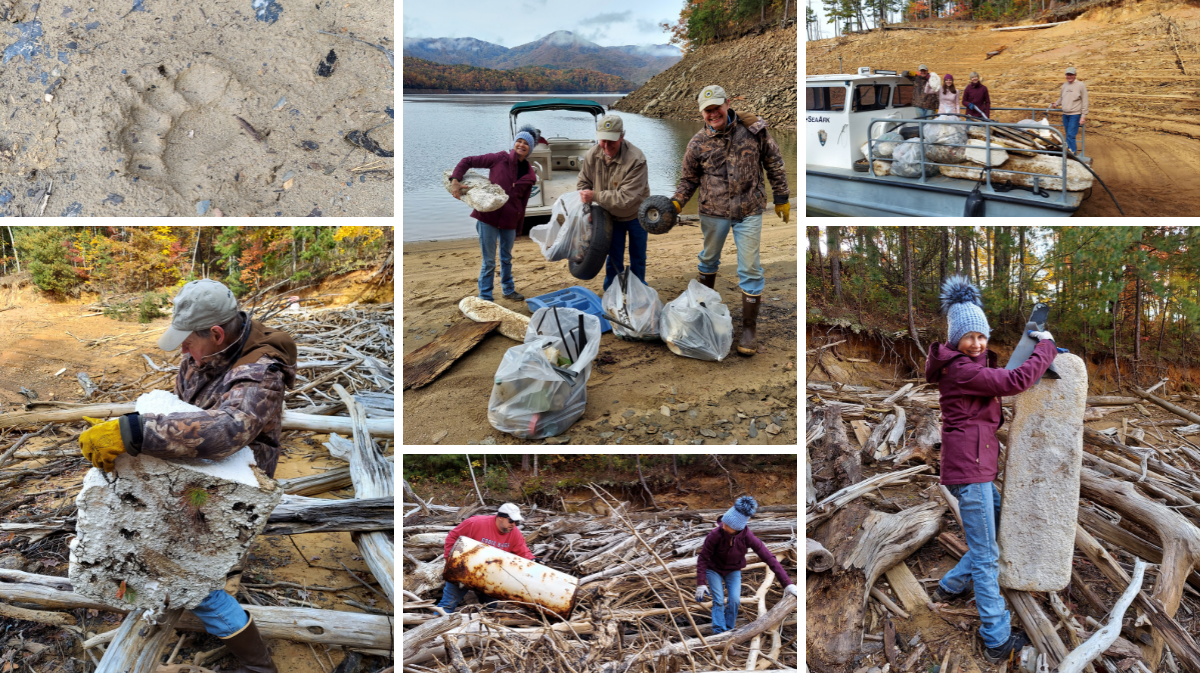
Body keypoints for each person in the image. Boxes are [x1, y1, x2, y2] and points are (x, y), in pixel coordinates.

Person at [79, 278, 298, 673]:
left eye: (187, 341)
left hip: (231, 482)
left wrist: (134, 432)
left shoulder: (262, 370)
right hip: (193, 470)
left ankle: (256, 662)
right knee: (167, 546)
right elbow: (185, 407)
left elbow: (229, 430)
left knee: (191, 576)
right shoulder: (205, 354)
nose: (182, 350)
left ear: (216, 333)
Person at [924, 275, 1066, 666]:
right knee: (987, 556)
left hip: (977, 467)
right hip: (971, 472)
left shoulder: (967, 365)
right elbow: (1015, 381)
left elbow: (1002, 374)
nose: (977, 343)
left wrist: (1035, 349)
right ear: (954, 339)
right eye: (968, 336)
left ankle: (950, 586)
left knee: (995, 527)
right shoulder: (960, 370)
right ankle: (997, 636)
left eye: (982, 335)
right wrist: (1047, 348)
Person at [671, 85, 790, 357]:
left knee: (750, 268)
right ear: (702, 112)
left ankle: (749, 328)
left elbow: (774, 162)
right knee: (708, 260)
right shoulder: (697, 143)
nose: (713, 114)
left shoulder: (754, 131)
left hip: (749, 209)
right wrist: (677, 202)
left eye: (717, 108)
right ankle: (703, 314)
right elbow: (688, 180)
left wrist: (782, 196)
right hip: (713, 212)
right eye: (707, 110)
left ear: (727, 105)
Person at [450, 132, 540, 303]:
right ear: (514, 143)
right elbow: (467, 161)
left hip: (510, 221)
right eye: (518, 141)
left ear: (530, 149)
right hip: (487, 218)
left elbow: (523, 205)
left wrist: (519, 229)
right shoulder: (499, 158)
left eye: (525, 143)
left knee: (506, 258)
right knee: (489, 261)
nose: (521, 145)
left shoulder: (530, 176)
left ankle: (508, 290)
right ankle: (485, 296)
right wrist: (455, 179)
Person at [695, 496, 798, 635]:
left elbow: (769, 558)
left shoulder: (748, 537)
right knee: (718, 600)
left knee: (735, 600)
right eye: (724, 522)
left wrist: (787, 584)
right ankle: (719, 633)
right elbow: (703, 558)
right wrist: (701, 583)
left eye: (727, 525)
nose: (722, 525)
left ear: (737, 528)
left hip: (733, 570)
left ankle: (729, 631)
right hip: (713, 569)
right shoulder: (715, 534)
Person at [576, 114, 651, 292]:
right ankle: (612, 290)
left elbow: (626, 198)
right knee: (613, 256)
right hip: (609, 216)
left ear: (621, 136)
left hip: (637, 214)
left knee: (638, 257)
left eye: (612, 141)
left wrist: (594, 196)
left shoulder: (636, 159)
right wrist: (588, 207)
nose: (607, 146)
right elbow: (582, 182)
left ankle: (639, 290)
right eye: (603, 141)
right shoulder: (592, 154)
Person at [437, 503, 536, 613]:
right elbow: (452, 537)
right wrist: (451, 561)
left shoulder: (514, 533)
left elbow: (522, 549)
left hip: (489, 576)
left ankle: (480, 627)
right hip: (464, 570)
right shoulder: (476, 523)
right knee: (448, 604)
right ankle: (433, 627)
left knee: (490, 608)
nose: (513, 525)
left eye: (516, 522)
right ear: (500, 518)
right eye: (511, 521)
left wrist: (532, 560)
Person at [1048, 67, 1088, 154]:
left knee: (1070, 135)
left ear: (1075, 75)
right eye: (1067, 74)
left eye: (1071, 74)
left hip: (1075, 114)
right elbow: (1062, 97)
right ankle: (1069, 152)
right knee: (1068, 134)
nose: (1069, 76)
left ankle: (1073, 154)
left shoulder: (1081, 85)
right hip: (1065, 114)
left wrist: (1083, 116)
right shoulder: (1064, 85)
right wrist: (1057, 103)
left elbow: (1085, 101)